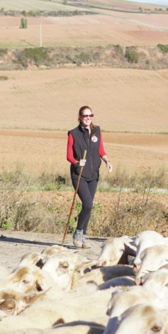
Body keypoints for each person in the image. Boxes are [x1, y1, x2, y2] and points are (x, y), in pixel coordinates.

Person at [66, 105, 113, 249]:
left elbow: (100, 149)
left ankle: (83, 236)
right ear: (79, 117)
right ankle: (78, 232)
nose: (87, 118)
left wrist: (107, 161)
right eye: (85, 116)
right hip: (79, 174)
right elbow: (69, 156)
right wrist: (77, 162)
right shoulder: (73, 133)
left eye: (90, 115)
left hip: (93, 175)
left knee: (89, 207)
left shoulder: (96, 131)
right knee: (88, 204)